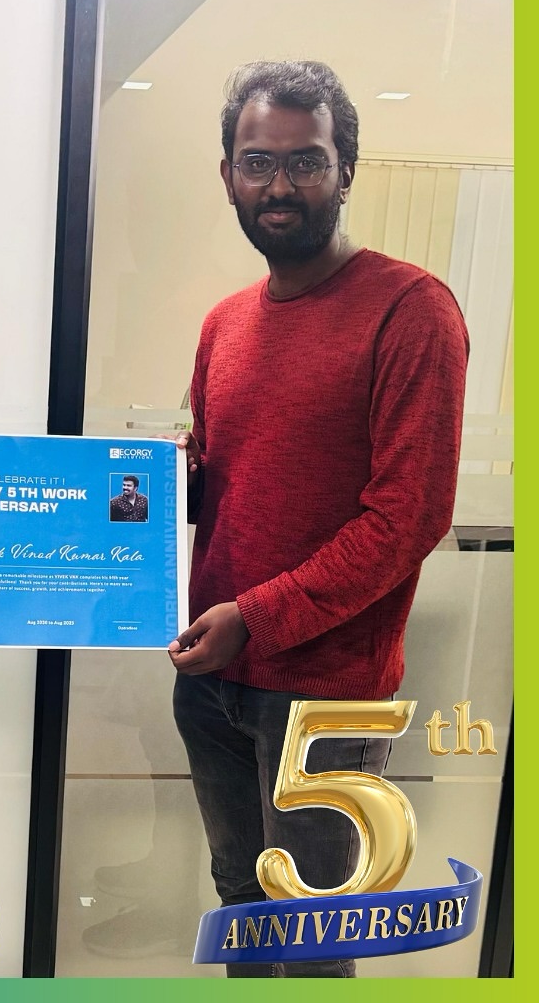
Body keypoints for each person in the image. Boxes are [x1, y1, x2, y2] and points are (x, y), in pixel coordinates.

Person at [167, 61, 469, 978]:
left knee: (312, 941)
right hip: (211, 678)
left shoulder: (411, 311)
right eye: (259, 162)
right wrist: (142, 488)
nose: (280, 185)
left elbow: (408, 517)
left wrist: (255, 619)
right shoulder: (224, 323)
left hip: (326, 698)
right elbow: (224, 479)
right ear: (228, 175)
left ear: (345, 172)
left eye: (306, 162)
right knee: (240, 907)